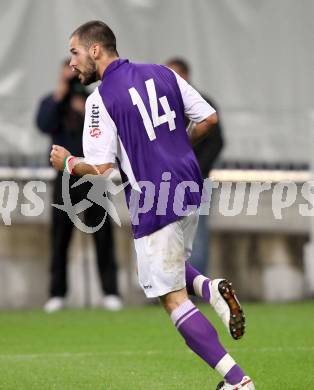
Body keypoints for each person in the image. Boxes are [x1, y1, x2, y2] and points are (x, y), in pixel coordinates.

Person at [50, 21, 254, 389]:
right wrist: (176, 151)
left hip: (152, 198)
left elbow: (101, 168)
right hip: (190, 186)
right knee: (173, 264)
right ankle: (210, 288)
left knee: (171, 299)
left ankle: (237, 381)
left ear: (96, 50)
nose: (71, 63)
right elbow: (208, 118)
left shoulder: (100, 99)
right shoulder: (162, 72)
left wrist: (67, 162)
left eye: (75, 52)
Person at [36, 59, 122, 312]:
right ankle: (57, 293)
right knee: (60, 236)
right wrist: (60, 92)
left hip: (92, 173)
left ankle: (110, 291)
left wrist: (84, 110)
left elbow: (105, 131)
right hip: (64, 176)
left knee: (103, 235)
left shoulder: (92, 100)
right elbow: (43, 124)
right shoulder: (54, 102)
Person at [166, 58, 224, 276]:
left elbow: (216, 142)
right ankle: (170, 287)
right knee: (167, 235)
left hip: (198, 180)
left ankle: (197, 288)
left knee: (197, 236)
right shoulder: (162, 107)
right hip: (167, 183)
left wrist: (194, 169)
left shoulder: (202, 104)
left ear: (186, 77)